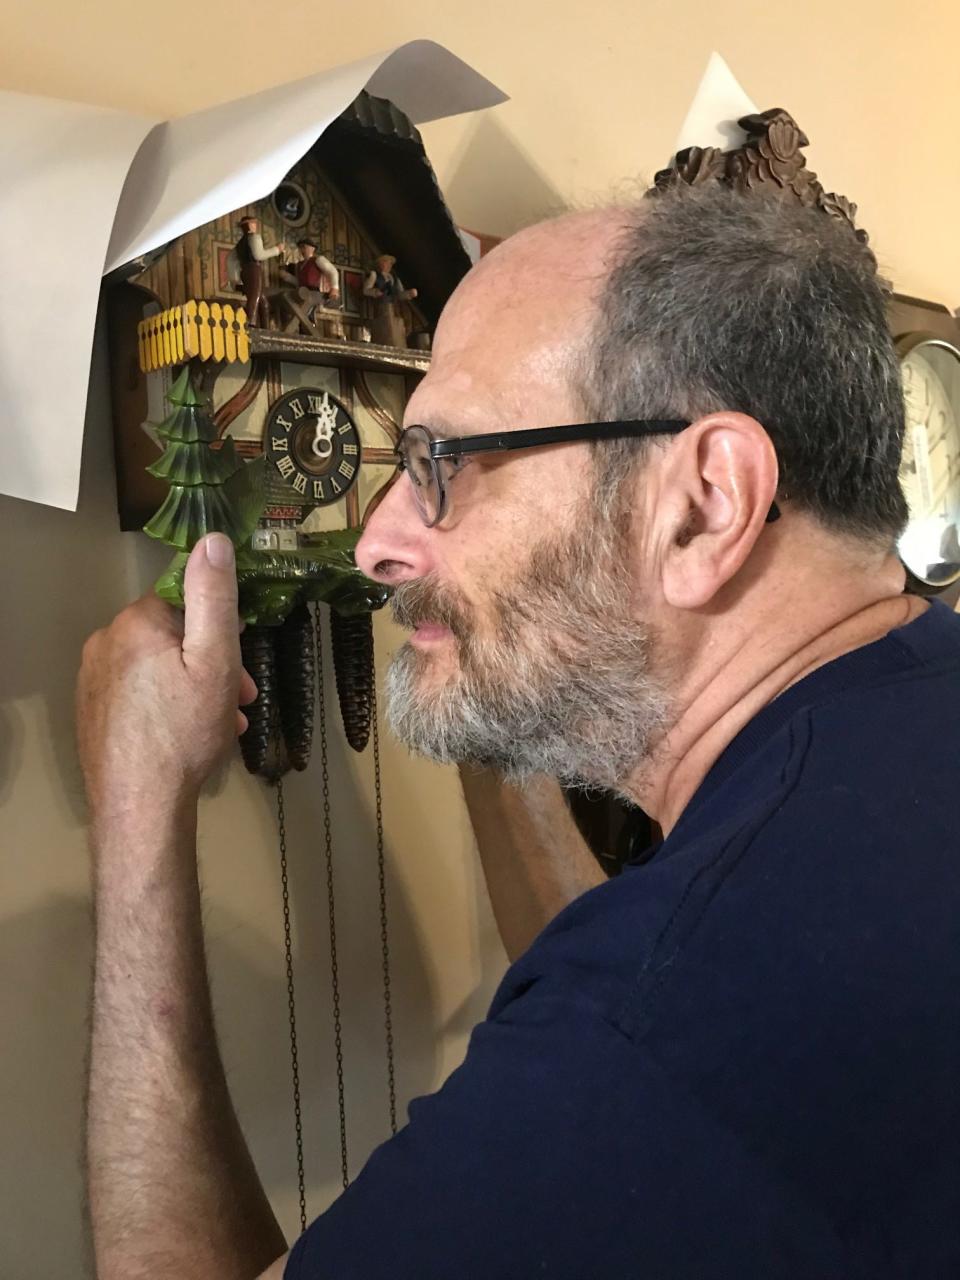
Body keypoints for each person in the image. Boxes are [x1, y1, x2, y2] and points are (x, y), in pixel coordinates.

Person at [77, 185, 960, 1279]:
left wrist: (134, 806)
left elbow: (664, 1019)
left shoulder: (663, 1036)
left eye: (444, 463)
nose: (378, 544)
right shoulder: (900, 727)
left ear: (705, 504)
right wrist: (497, 699)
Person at [233, 215, 286, 328]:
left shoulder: (239, 245)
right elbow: (259, 255)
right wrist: (277, 250)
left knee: (263, 300)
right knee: (255, 297)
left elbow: (230, 261)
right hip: (254, 269)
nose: (255, 226)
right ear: (249, 225)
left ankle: (265, 326)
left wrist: (235, 278)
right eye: (254, 223)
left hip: (245, 271)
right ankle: (251, 323)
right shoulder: (255, 238)